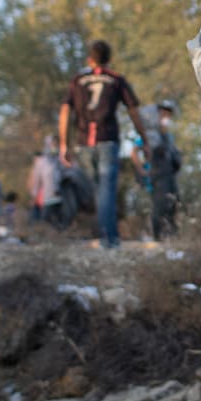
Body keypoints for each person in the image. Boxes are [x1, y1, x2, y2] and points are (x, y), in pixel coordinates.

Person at [58, 40, 150, 247]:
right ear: (109, 59)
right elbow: (133, 111)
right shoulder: (116, 79)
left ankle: (102, 235)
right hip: (107, 140)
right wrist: (144, 139)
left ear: (89, 59)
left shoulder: (77, 80)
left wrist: (64, 144)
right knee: (106, 190)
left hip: (83, 143)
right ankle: (109, 239)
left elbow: (65, 112)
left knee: (97, 189)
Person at [145, 100, 182, 240]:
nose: (166, 116)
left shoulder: (168, 136)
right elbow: (137, 150)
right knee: (159, 205)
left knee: (173, 203)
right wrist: (142, 170)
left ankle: (171, 236)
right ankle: (157, 237)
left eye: (168, 114)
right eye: (163, 113)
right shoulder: (149, 134)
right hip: (158, 175)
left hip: (170, 174)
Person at [28, 135, 64, 228]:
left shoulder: (62, 159)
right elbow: (36, 181)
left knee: (61, 221)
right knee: (46, 221)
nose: (55, 146)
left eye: (56, 144)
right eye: (53, 144)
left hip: (62, 197)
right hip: (48, 198)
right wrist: (34, 196)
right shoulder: (42, 161)